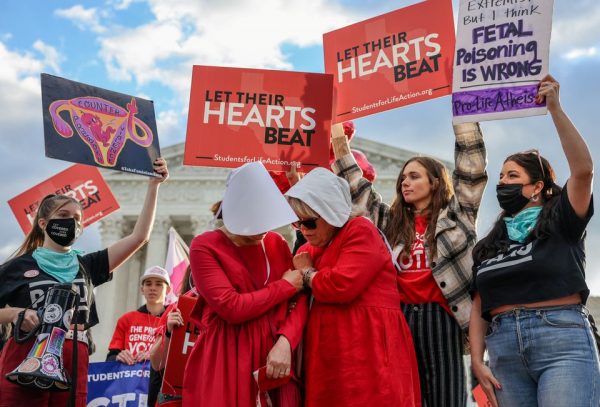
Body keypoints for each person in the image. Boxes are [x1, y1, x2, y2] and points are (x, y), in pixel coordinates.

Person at [331, 120, 487, 406]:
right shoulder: (390, 223)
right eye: (403, 177)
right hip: (398, 320)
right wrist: (337, 136)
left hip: (440, 320)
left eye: (414, 176)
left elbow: (471, 172)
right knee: (401, 398)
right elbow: (358, 190)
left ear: (436, 182)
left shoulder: (456, 218)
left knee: (446, 400)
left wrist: (465, 114)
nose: (405, 182)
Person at [470, 75, 599, 407]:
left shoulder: (562, 222)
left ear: (538, 186)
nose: (503, 182)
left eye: (512, 176)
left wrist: (555, 108)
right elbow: (479, 304)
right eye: (500, 176)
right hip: (504, 353)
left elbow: (583, 171)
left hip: (562, 340)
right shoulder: (489, 244)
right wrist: (476, 359)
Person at [0, 158, 169, 407]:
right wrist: (14, 313)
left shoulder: (88, 265)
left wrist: (154, 185)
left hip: (73, 358)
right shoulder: (18, 267)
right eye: (64, 215)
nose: (72, 222)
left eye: (78, 218)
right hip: (27, 352)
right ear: (43, 223)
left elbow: (139, 237)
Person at [285, 167, 421, 407]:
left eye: (308, 222)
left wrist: (307, 274)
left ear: (331, 212)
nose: (303, 230)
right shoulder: (308, 249)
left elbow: (341, 285)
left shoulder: (359, 229)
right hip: (328, 351)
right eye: (297, 223)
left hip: (367, 346)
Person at [182, 161, 307, 407]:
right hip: (228, 355)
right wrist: (284, 286)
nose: (264, 227)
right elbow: (231, 307)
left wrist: (286, 342)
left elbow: (300, 299)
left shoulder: (277, 243)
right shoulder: (204, 245)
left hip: (276, 356)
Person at [149, 265, 195, 407]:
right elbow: (157, 364)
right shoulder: (176, 308)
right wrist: (168, 332)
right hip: (174, 399)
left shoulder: (227, 311)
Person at [106, 266, 170, 364]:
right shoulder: (126, 319)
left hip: (158, 378)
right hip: (129, 378)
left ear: (168, 290)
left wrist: (154, 356)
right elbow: (110, 358)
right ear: (142, 289)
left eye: (158, 284)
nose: (153, 288)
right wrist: (118, 357)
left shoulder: (172, 321)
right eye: (148, 284)